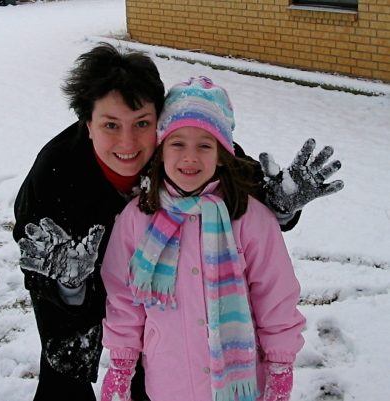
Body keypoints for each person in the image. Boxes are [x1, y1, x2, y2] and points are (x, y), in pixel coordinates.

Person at [13, 43, 342, 401]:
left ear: (160, 120)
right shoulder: (56, 175)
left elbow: (241, 188)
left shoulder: (185, 141)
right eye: (110, 125)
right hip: (83, 287)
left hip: (184, 323)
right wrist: (68, 286)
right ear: (87, 124)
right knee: (66, 375)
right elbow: (47, 270)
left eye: (142, 123)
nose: (127, 142)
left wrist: (280, 205)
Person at [100, 77, 306, 401]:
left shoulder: (249, 219)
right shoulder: (137, 220)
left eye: (205, 146)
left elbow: (276, 296)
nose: (190, 157)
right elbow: (124, 299)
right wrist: (121, 364)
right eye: (178, 143)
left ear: (222, 155)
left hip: (241, 383)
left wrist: (281, 366)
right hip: (169, 383)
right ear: (161, 150)